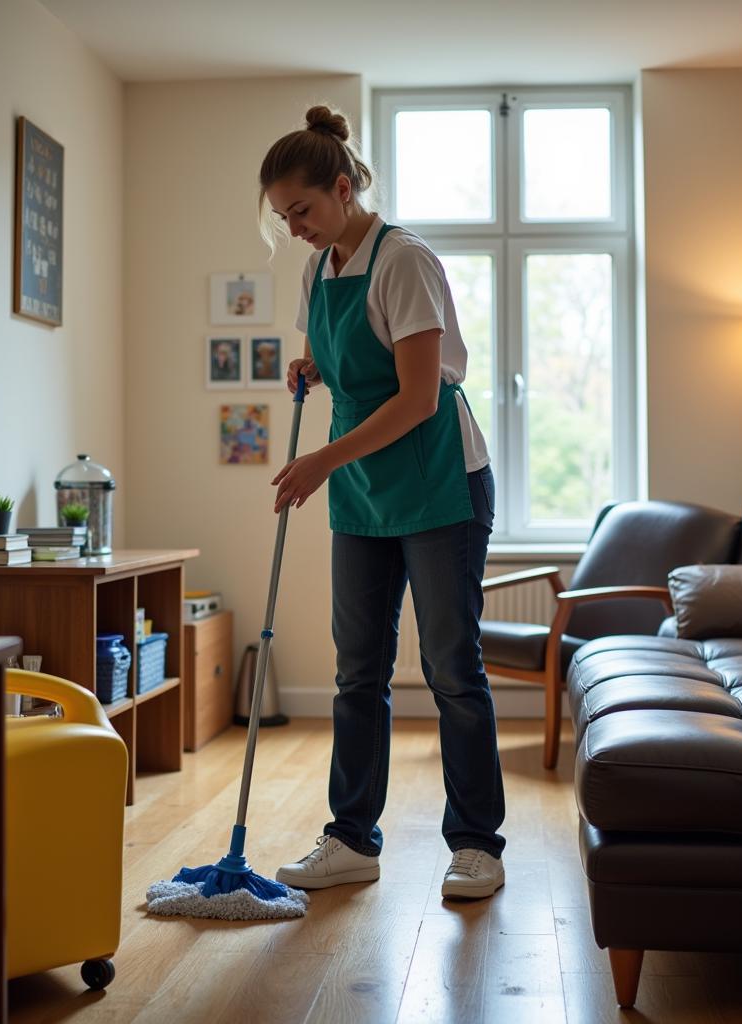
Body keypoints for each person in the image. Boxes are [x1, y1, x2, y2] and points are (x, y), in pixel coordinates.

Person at [259, 105, 505, 900]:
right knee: (356, 670)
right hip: (366, 487)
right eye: (282, 216)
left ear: (342, 187)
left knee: (450, 669)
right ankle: (350, 838)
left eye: (301, 209)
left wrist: (321, 460)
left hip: (437, 479)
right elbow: (350, 358)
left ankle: (476, 845)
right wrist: (312, 369)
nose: (294, 227)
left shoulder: (404, 259)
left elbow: (418, 397)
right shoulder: (319, 267)